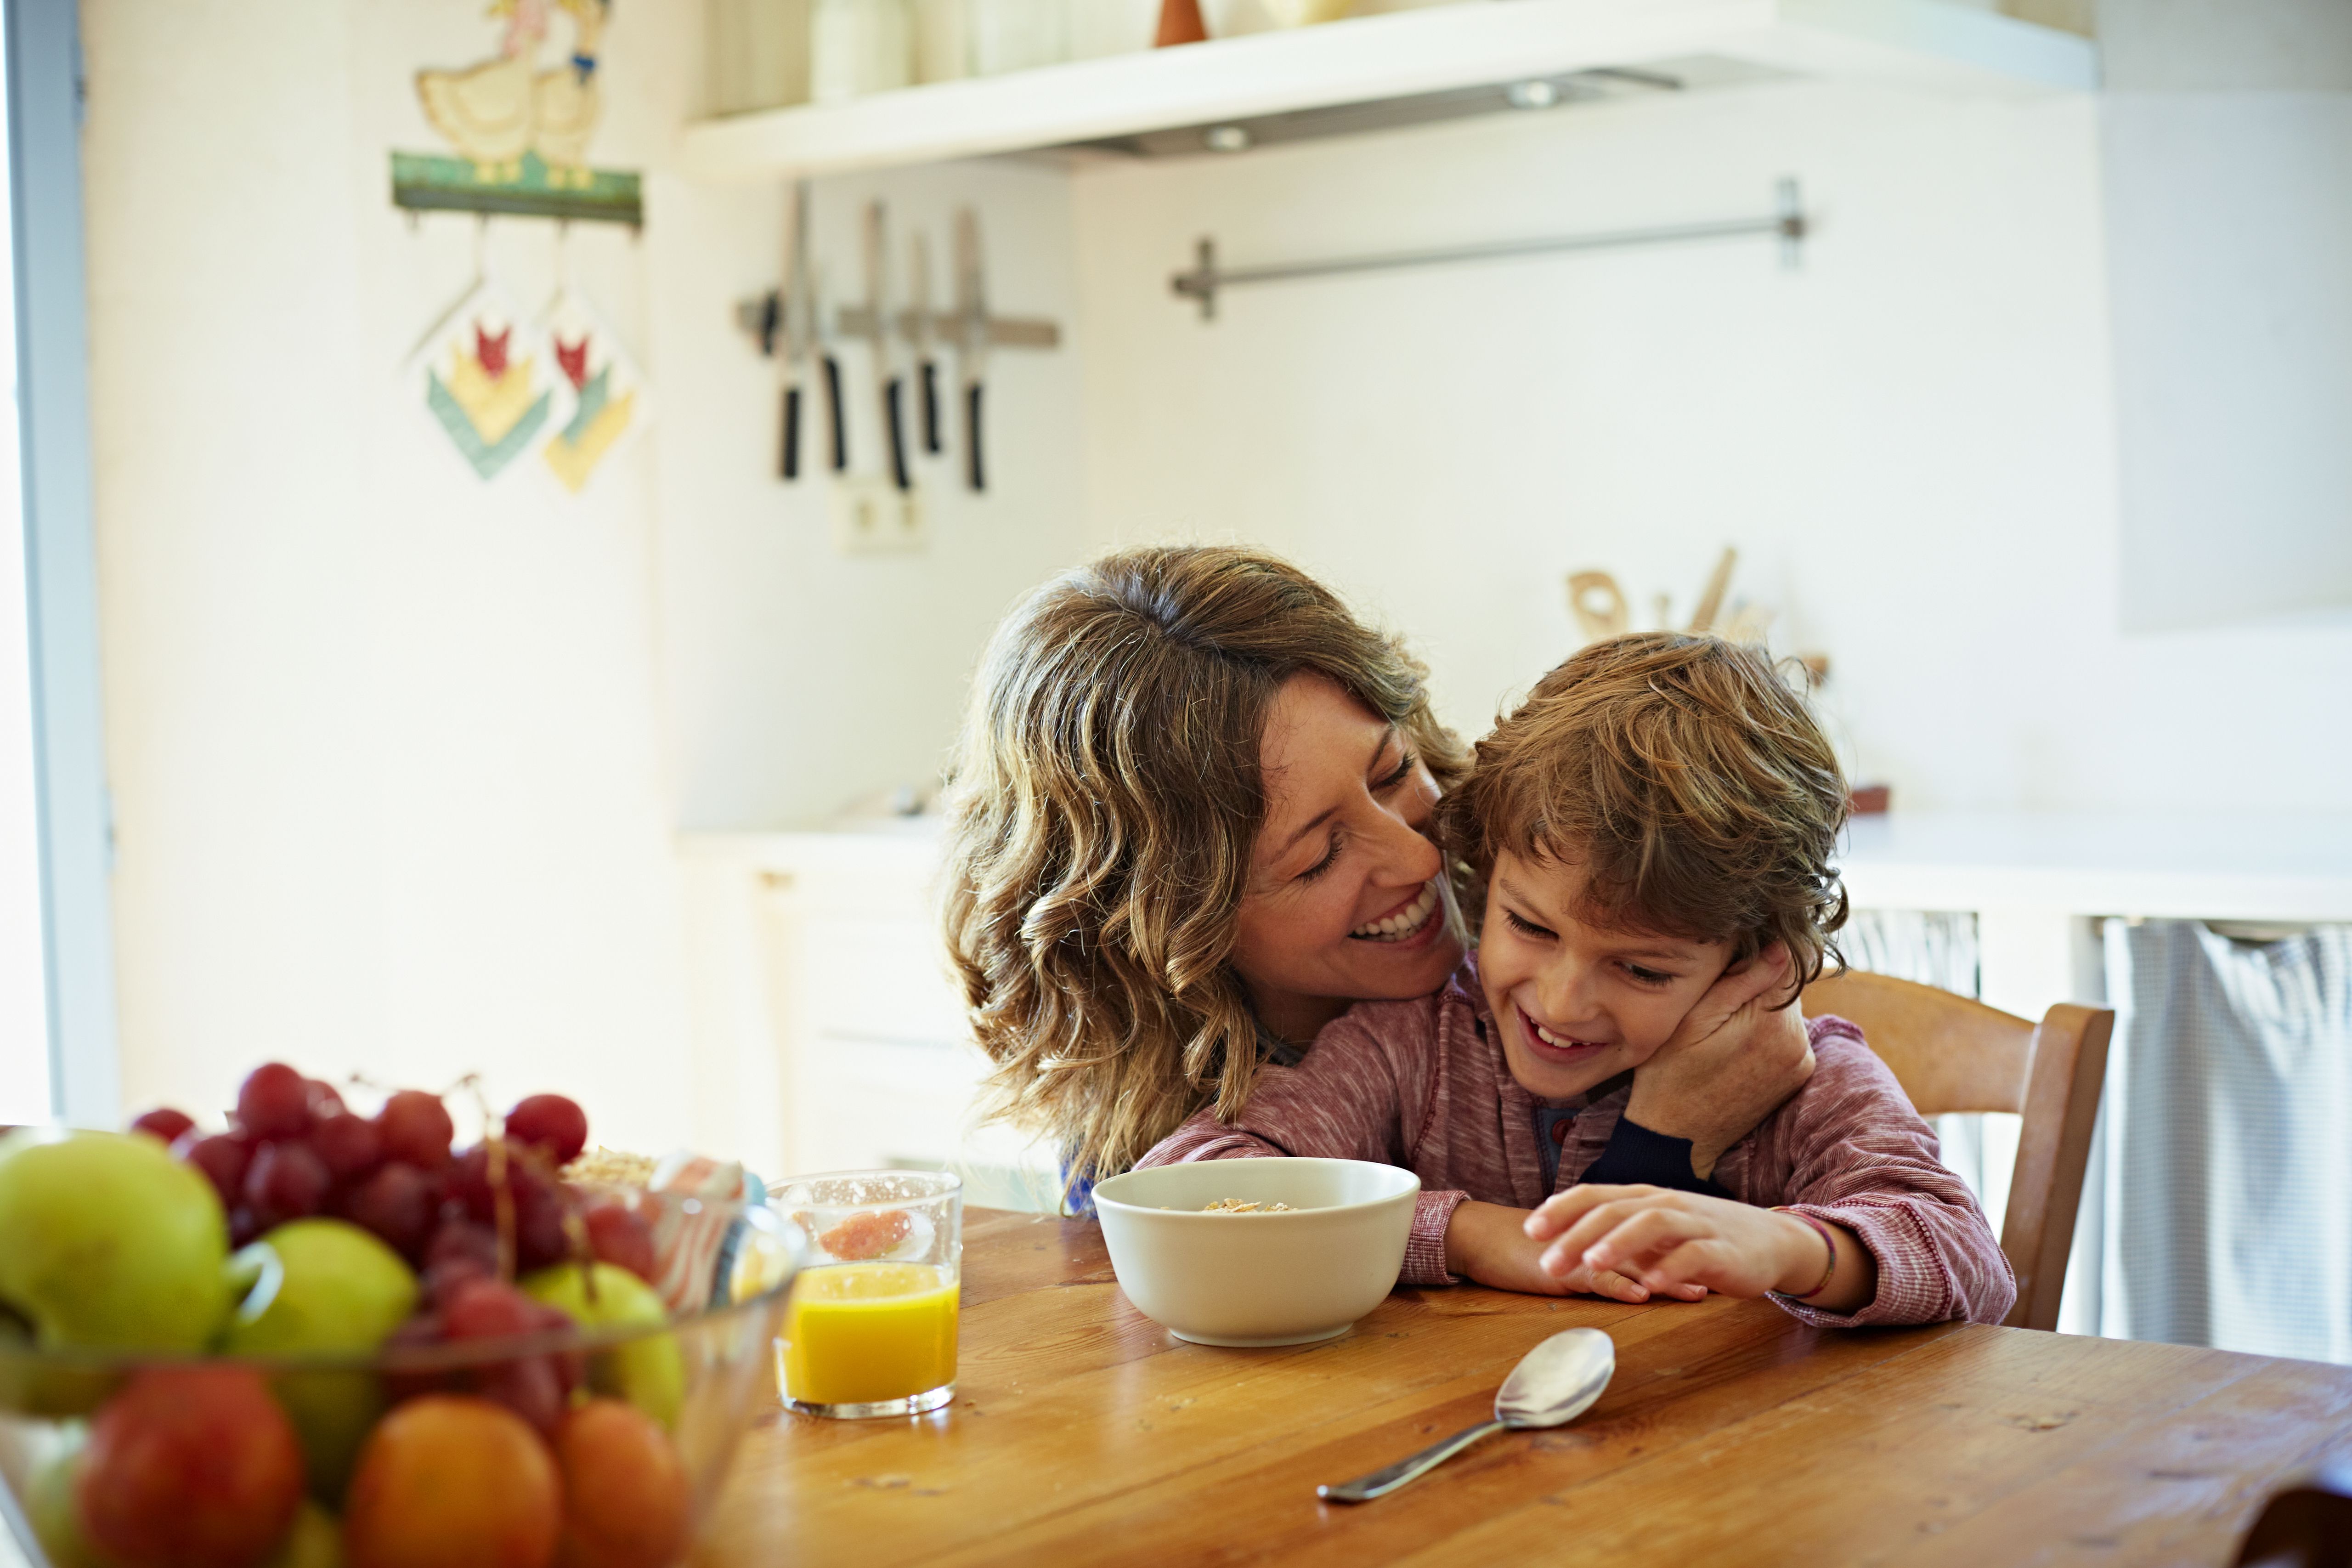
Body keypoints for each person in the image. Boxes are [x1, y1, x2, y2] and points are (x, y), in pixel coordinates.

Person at [1140, 632, 2014, 1326]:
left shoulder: (1805, 1081)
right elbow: (1201, 1179)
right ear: (1487, 872)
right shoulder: (1412, 1045)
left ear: (1752, 963)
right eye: (1528, 926)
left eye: (1640, 967)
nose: (1560, 1001)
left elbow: (1971, 1261)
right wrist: (1472, 1234)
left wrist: (1794, 1248)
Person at [940, 545, 1815, 1226]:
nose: (1419, 861)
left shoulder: (1568, 951)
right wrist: (1662, 1142)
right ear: (1165, 922)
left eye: (1394, 770)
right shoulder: (1161, 1145)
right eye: (1318, 858)